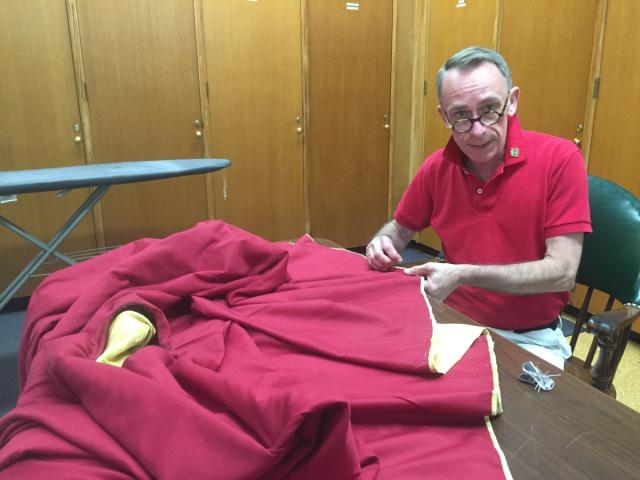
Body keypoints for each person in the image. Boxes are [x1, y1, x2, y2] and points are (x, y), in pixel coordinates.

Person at [366, 46, 591, 369]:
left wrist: (463, 275)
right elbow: (400, 228)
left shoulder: (560, 159)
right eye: (460, 115)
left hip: (529, 338)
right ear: (444, 116)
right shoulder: (437, 167)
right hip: (449, 321)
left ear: (511, 101)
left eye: (489, 109)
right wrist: (381, 243)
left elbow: (562, 273)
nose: (478, 130)